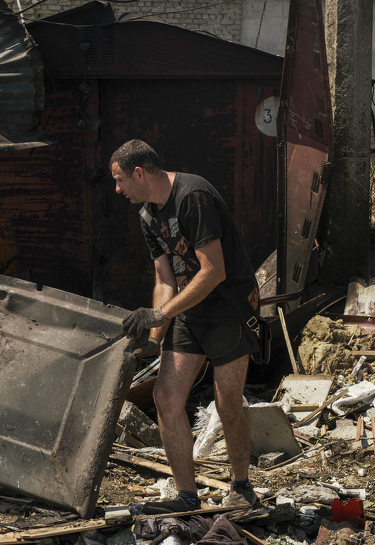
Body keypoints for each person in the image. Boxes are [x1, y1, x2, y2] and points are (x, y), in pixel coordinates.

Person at [110, 139, 261, 515]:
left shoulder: (193, 196)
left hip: (228, 307)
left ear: (139, 173)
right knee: (166, 397)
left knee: (227, 403)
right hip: (189, 311)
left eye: (120, 180)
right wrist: (153, 336)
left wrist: (160, 315)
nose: (117, 189)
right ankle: (186, 496)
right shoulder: (147, 213)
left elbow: (214, 272)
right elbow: (166, 278)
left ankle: (242, 488)